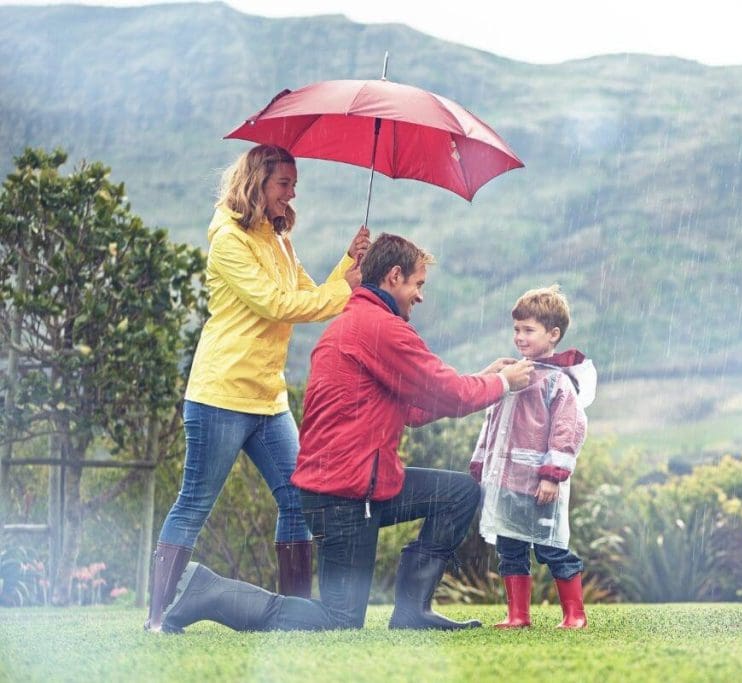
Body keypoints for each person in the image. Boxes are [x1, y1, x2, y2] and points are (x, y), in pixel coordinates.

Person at [158, 233, 534, 633]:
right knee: (338, 621)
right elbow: (450, 393)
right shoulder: (379, 329)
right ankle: (207, 591)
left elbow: (414, 408)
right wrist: (504, 383)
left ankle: (412, 612)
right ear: (394, 276)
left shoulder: (357, 325)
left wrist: (484, 379)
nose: (420, 296)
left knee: (459, 493)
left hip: (368, 487)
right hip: (341, 499)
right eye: (417, 284)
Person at [145, 145, 371, 632]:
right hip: (221, 394)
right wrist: (346, 287)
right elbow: (275, 304)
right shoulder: (228, 239)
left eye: (294, 184)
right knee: (194, 504)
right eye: (283, 184)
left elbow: (308, 295)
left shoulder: (278, 238)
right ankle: (158, 617)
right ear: (257, 183)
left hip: (268, 398)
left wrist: (348, 264)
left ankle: (296, 618)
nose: (292, 193)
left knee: (298, 499)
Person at [470, 285, 597, 629]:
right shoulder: (513, 375)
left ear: (553, 334)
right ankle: (517, 615)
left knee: (552, 548)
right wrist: (481, 462)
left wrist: (551, 474)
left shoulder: (558, 381)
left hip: (540, 486)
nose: (520, 338)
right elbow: (493, 422)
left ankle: (575, 614)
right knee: (509, 549)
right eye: (516, 330)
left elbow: (568, 429)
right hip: (507, 483)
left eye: (529, 330)